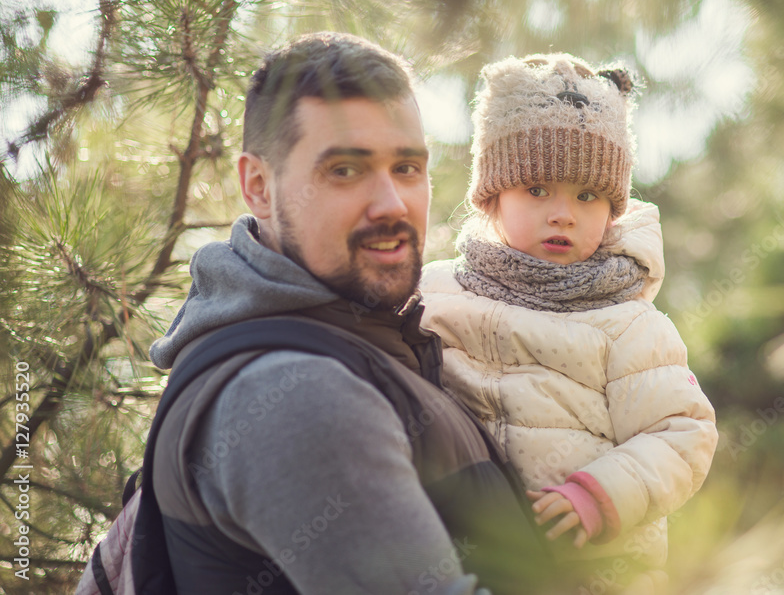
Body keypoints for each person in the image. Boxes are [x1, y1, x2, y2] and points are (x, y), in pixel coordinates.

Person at [148, 32, 555, 595]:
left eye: (408, 168)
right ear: (259, 187)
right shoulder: (295, 391)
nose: (392, 203)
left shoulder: (367, 342)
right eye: (345, 170)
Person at [420, 54, 719, 594]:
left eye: (588, 196)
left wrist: (597, 496)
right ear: (492, 198)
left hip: (596, 568)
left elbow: (682, 432)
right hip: (467, 556)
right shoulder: (437, 291)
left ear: (613, 209)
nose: (563, 213)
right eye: (537, 190)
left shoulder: (626, 323)